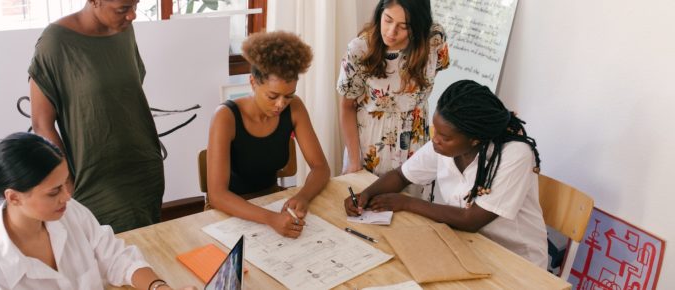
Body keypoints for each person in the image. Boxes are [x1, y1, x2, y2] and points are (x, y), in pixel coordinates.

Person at [344, 80, 549, 268]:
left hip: (516, 261)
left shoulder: (514, 154)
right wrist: (366, 195)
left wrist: (406, 203)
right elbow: (401, 176)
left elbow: (471, 220)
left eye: (445, 137)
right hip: (468, 246)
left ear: (474, 139)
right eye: (436, 131)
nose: (435, 139)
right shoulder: (445, 146)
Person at [28, 0, 164, 233]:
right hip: (95, 178)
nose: (132, 15)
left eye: (136, 5)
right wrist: (66, 182)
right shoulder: (55, 42)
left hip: (144, 167)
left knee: (147, 251)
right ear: (95, 1)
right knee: (108, 256)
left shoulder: (124, 30)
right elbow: (42, 124)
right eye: (123, 9)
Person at [0, 132, 195, 290]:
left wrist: (158, 287)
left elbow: (115, 257)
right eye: (54, 191)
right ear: (13, 197)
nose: (66, 196)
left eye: (65, 183)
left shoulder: (69, 212)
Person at [206, 31, 330, 238]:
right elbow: (217, 195)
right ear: (253, 82)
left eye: (288, 96)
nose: (281, 104)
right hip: (230, 210)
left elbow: (320, 167)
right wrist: (271, 219)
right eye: (273, 96)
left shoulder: (295, 108)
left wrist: (303, 196)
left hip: (271, 201)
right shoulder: (225, 117)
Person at [337, 0, 450, 179]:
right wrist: (353, 161)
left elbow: (427, 81)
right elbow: (347, 106)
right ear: (380, 12)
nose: (391, 32)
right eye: (388, 19)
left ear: (418, 25)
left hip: (416, 143)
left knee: (412, 205)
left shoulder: (434, 39)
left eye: (403, 26)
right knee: (368, 204)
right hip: (372, 147)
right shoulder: (359, 50)